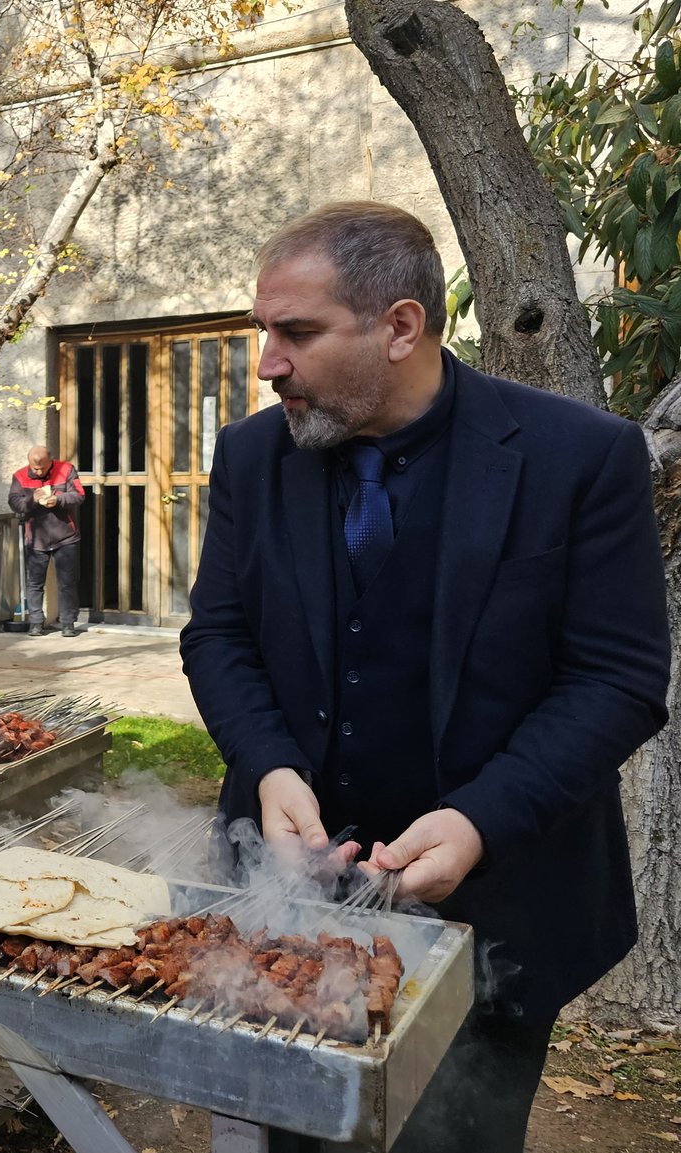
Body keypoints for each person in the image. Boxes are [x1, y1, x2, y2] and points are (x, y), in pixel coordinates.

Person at [180, 201, 669, 1152]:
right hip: (290, 900)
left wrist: (480, 818)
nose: (267, 362)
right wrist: (273, 768)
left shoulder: (581, 457)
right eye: (263, 332)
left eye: (298, 333)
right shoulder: (251, 455)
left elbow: (617, 678)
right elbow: (220, 635)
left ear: (401, 326)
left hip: (503, 904)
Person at [7, 445, 84, 636]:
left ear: (51, 460)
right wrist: (32, 500)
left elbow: (79, 495)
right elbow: (14, 502)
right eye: (35, 468)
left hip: (65, 536)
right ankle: (36, 623)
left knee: (67, 582)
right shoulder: (19, 476)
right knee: (34, 583)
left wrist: (58, 500)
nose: (39, 471)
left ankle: (68, 623)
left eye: (43, 467)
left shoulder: (66, 469)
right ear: (29, 463)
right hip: (35, 539)